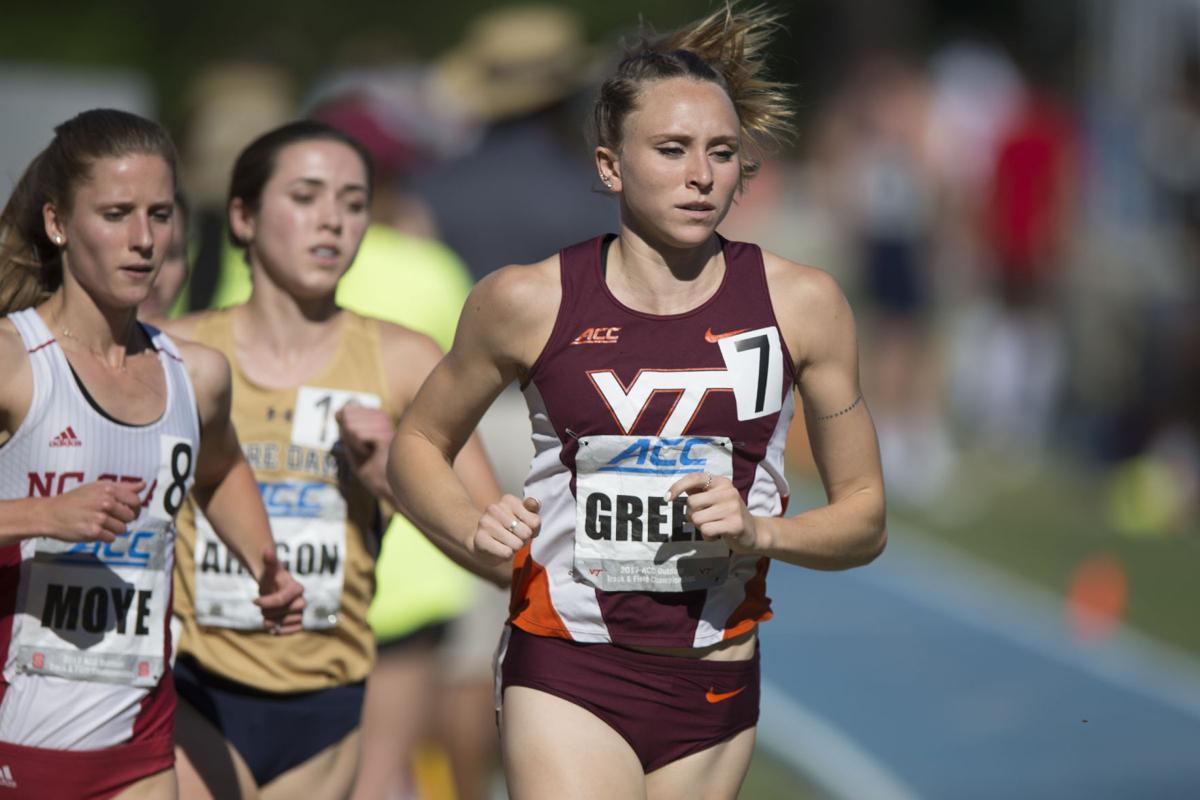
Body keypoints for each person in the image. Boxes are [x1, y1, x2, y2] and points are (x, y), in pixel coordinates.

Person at [387, 5, 888, 799]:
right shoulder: (527, 299)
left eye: (722, 153)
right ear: (611, 165)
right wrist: (475, 531)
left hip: (713, 682)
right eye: (672, 150)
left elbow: (865, 517)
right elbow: (415, 444)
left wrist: (762, 530)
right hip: (567, 667)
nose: (701, 175)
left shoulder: (804, 304)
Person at [158, 120, 502, 800]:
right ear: (243, 216)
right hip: (193, 690)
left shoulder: (405, 361)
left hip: (330, 704)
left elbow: (500, 555)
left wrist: (390, 483)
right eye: (307, 196)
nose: (334, 222)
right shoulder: (175, 353)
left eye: (353, 202)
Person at [0, 109, 304, 800]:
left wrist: (267, 567)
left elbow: (219, 469)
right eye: (115, 213)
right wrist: (41, 514)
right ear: (57, 223)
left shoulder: (194, 375)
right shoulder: (14, 362)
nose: (144, 241)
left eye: (159, 215)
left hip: (136, 751)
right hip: (13, 744)